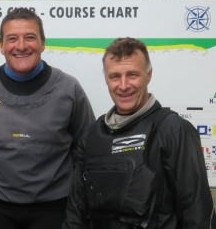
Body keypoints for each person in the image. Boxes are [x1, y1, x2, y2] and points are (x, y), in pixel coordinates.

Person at [0, 7, 95, 229]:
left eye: (30, 37)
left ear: (42, 43)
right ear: (1, 46)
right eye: (12, 39)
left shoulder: (69, 89)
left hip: (54, 207)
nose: (21, 46)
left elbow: (85, 147)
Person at [63, 37, 216, 229]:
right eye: (115, 76)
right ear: (106, 79)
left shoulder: (174, 130)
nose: (124, 85)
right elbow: (76, 215)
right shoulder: (91, 135)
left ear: (149, 75)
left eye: (133, 74)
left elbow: (197, 211)